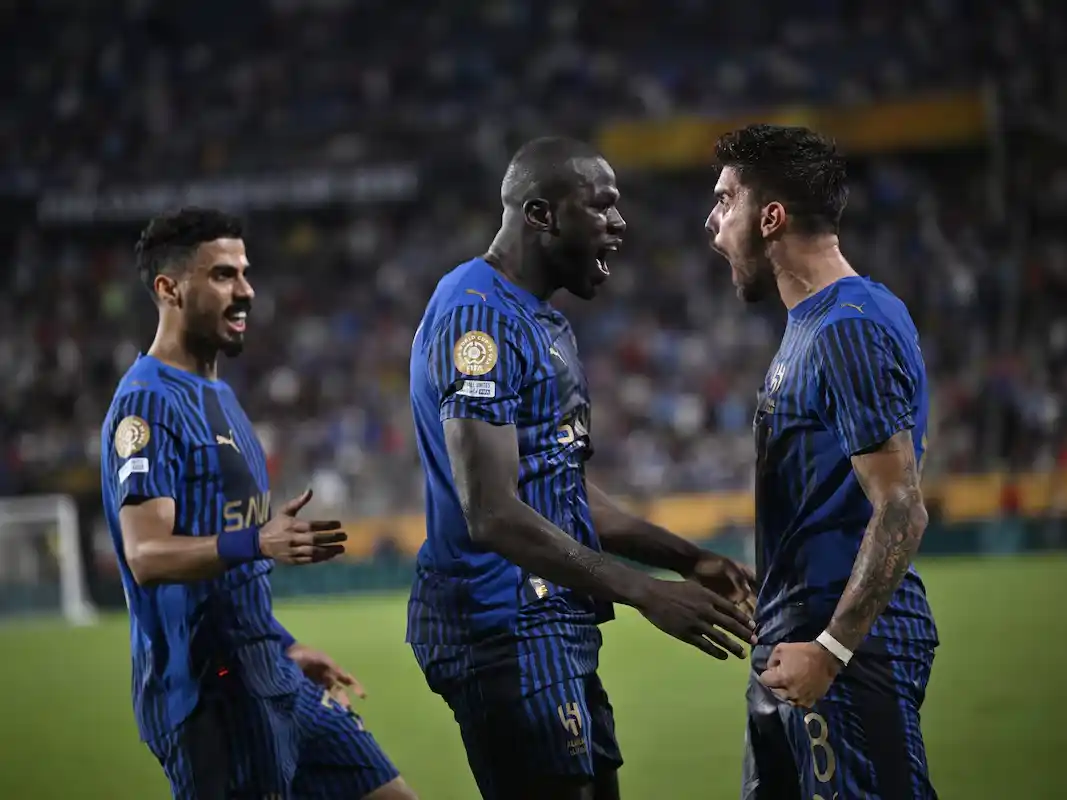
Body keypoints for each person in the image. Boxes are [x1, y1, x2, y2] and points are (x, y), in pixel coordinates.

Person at [407, 137, 757, 800]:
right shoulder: (475, 317)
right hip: (498, 622)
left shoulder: (540, 321)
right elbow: (491, 512)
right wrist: (644, 591)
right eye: (601, 207)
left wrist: (684, 558)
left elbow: (557, 488)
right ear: (540, 215)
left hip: (548, 614)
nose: (619, 224)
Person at [100, 208, 415, 799]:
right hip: (211, 697)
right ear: (168, 289)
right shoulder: (146, 405)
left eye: (244, 273)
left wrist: (284, 644)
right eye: (223, 275)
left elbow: (229, 575)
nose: (245, 291)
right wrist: (260, 541)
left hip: (271, 673)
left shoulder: (218, 394)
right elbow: (147, 553)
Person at [705, 124, 939, 799]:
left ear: (770, 217)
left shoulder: (848, 325)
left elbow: (900, 504)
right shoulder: (813, 325)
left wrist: (831, 650)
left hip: (841, 653)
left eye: (725, 202)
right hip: (792, 643)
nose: (711, 222)